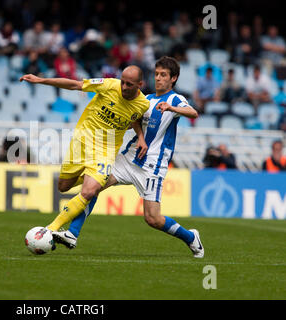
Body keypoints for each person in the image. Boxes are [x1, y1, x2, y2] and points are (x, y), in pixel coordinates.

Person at [53, 56, 205, 259]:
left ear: (173, 79)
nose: (159, 78)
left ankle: (191, 237)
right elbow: (135, 120)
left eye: (164, 75)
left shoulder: (174, 99)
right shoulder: (146, 99)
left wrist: (172, 109)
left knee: (153, 218)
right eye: (157, 74)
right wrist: (140, 137)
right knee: (96, 185)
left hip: (152, 166)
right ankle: (72, 233)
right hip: (129, 158)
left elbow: (193, 112)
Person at [20, 65, 150, 240]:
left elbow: (134, 118)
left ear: (140, 84)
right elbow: (75, 85)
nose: (124, 87)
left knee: (90, 191)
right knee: (63, 186)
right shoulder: (109, 85)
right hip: (82, 142)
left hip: (105, 150)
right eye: (123, 82)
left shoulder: (143, 104)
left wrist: (140, 136)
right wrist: (40, 80)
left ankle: (50, 229)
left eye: (129, 84)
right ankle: (93, 175)